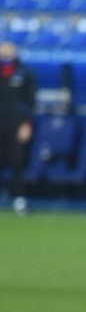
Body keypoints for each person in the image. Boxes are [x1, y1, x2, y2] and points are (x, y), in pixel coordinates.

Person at [0, 41, 35, 216]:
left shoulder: (23, 72)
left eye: (9, 49)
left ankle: (19, 200)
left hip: (15, 125)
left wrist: (27, 124)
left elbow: (30, 101)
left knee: (16, 163)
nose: (5, 52)